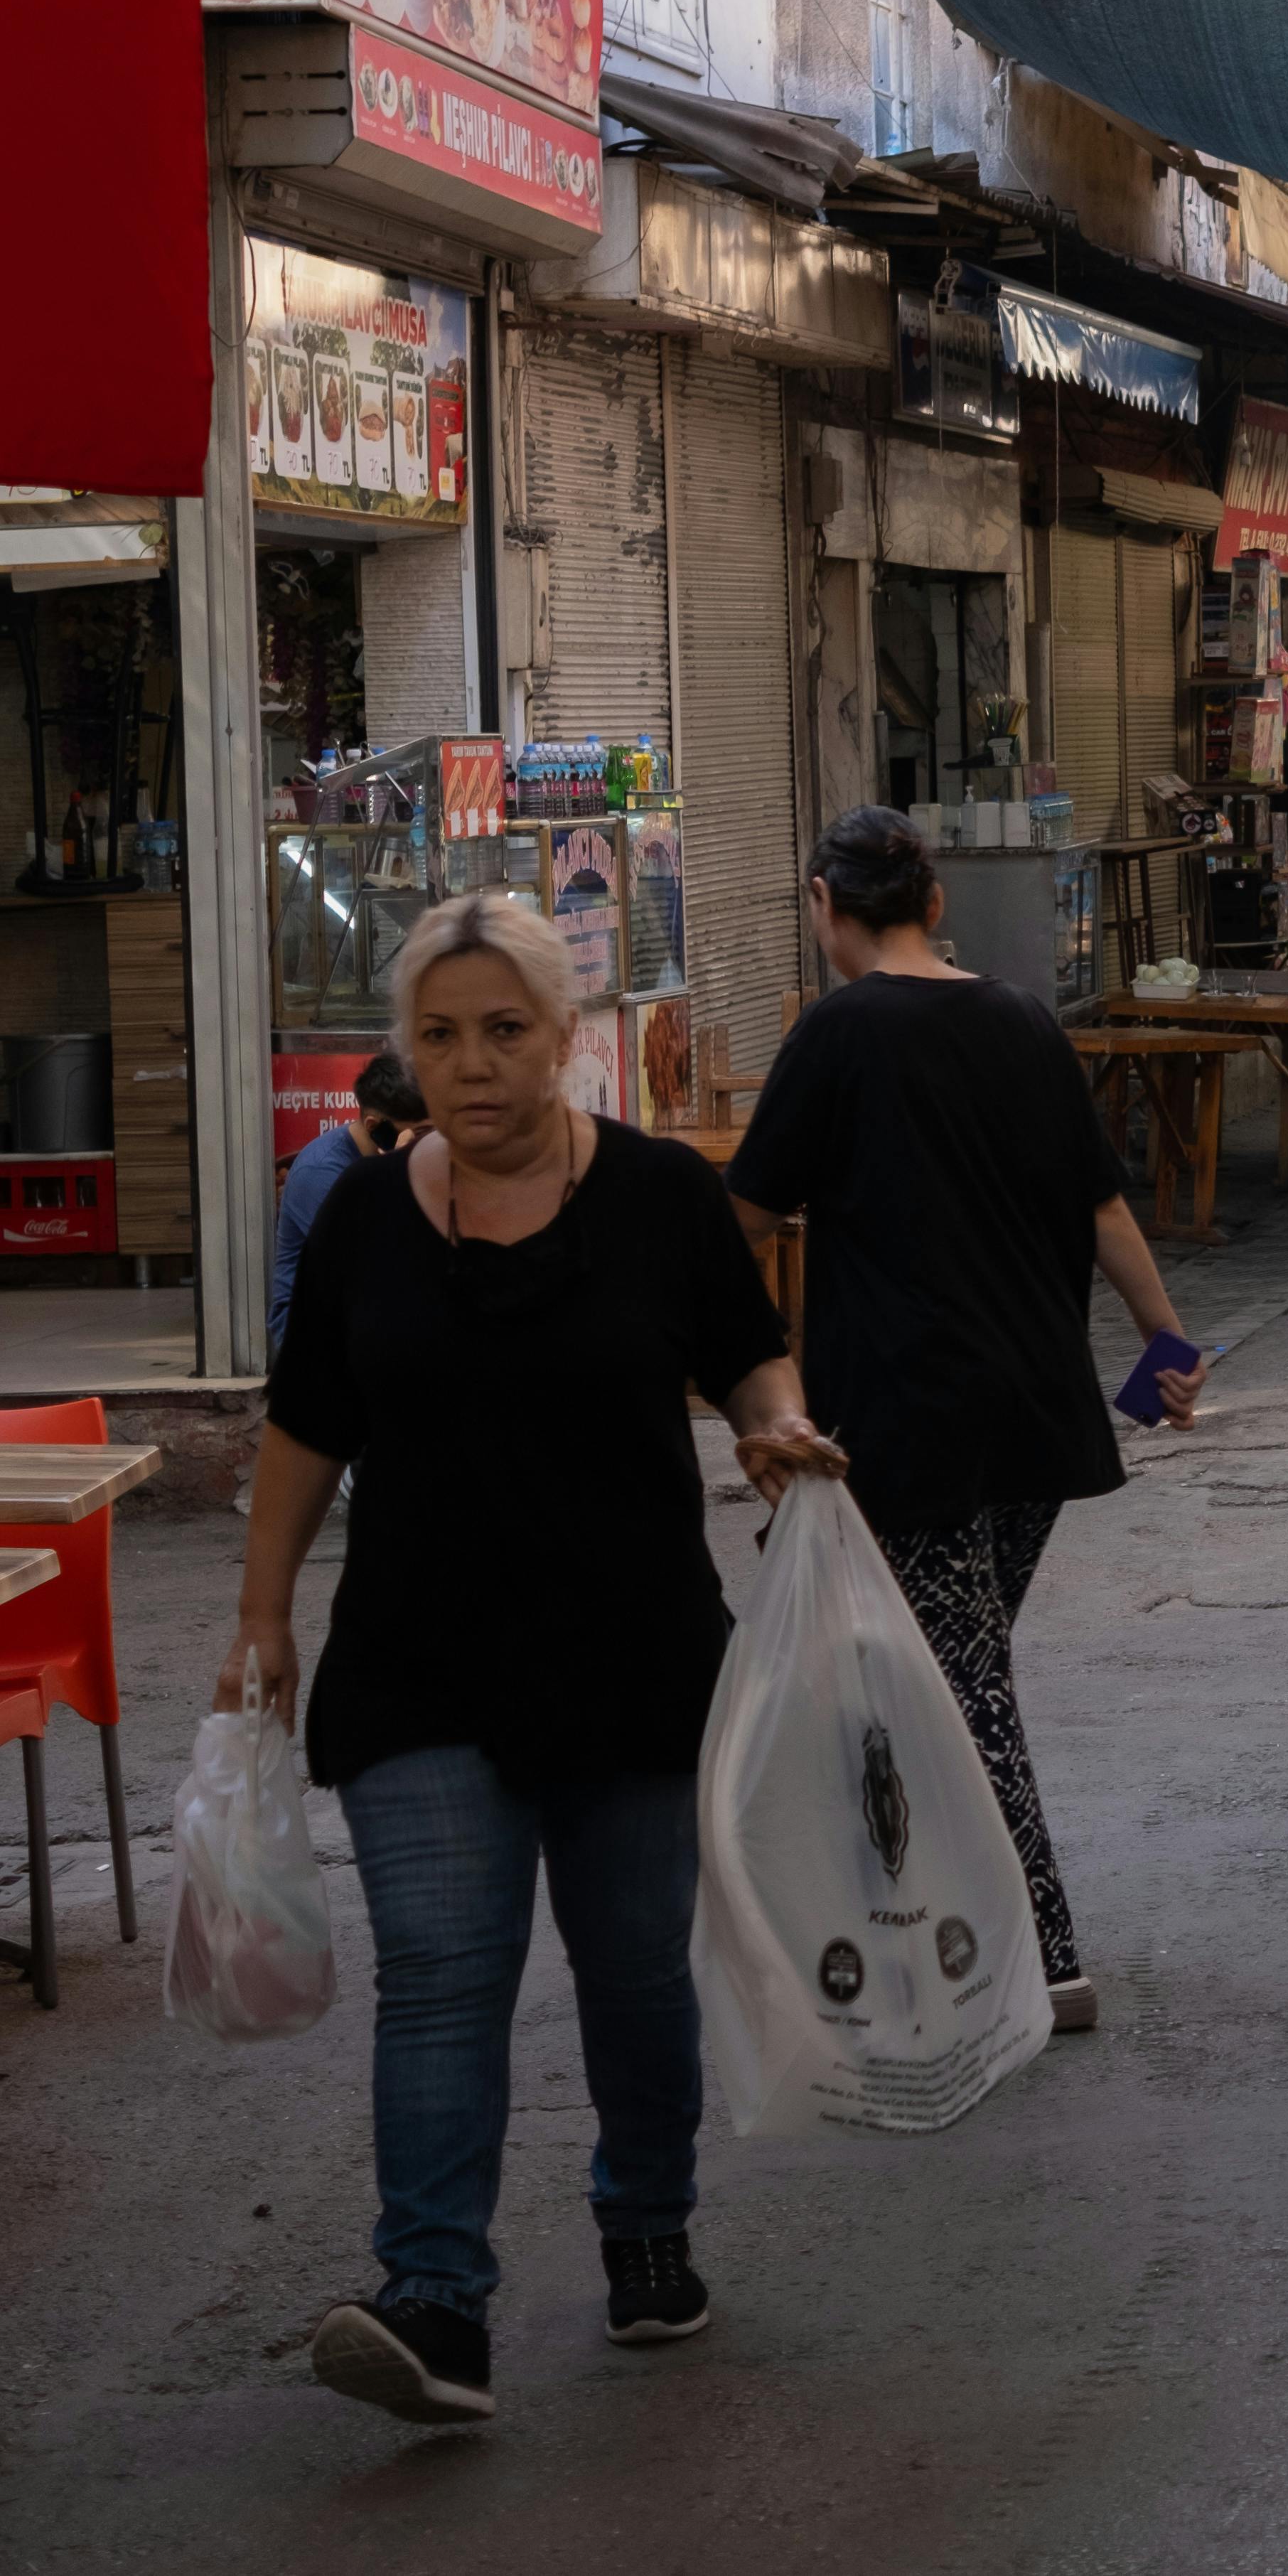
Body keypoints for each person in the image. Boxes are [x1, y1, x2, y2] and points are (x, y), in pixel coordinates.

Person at [227, 891, 840, 2430]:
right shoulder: (365, 1216)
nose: (472, 1064)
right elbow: (306, 1426)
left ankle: (647, 2229)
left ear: (572, 1042)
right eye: (439, 1036)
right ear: (407, 1055)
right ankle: (434, 2298)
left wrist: (773, 1427)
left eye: (505, 1031)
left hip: (630, 1654)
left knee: (634, 1975)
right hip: (418, 1660)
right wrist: (261, 1617)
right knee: (441, 1972)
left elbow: (742, 1352)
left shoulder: (658, 1200)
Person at [729, 807, 1204, 2039]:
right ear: (932, 903)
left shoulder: (834, 1034)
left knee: (956, 1684)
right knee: (929, 1678)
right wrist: (1165, 1341)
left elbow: (748, 1220)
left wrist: (719, 1361)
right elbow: (1102, 1206)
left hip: (906, 1418)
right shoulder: (1022, 1020)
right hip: (1034, 1413)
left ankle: (1039, 1957)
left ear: (827, 902)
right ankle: (911, 1936)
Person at [268, 1048, 423, 1354]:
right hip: (311, 1322)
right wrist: (399, 1173)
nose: (430, 1141)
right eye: (419, 1134)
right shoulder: (322, 1173)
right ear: (373, 1128)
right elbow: (374, 1267)